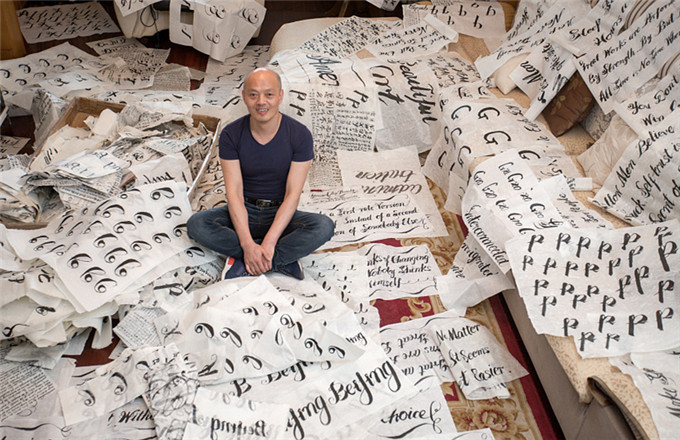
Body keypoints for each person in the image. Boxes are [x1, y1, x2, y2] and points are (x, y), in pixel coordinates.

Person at [187, 68, 334, 279]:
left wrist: (270, 242)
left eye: (269, 94)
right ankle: (275, 260)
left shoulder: (300, 135)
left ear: (280, 96)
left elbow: (293, 195)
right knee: (197, 225)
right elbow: (234, 193)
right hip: (243, 209)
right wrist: (248, 244)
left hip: (280, 212)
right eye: (253, 94)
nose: (261, 102)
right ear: (244, 97)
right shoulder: (231, 134)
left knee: (323, 227)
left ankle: (250, 261)